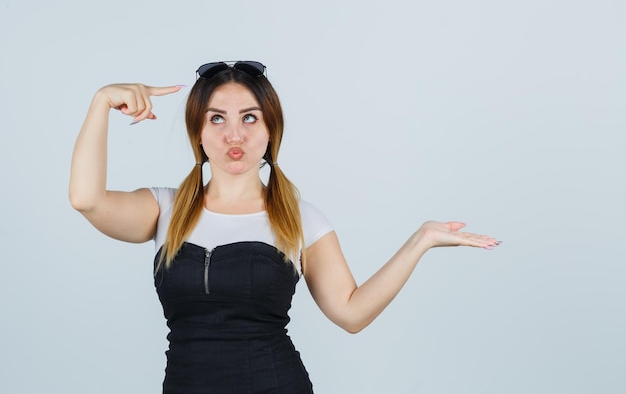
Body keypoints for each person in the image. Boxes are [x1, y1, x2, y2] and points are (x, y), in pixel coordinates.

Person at [69, 61, 499, 394]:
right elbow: (86, 199)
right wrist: (102, 100)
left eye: (250, 118)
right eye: (216, 118)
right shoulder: (164, 208)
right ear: (197, 132)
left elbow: (351, 313)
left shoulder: (298, 217)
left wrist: (419, 241)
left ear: (271, 128)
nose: (233, 134)